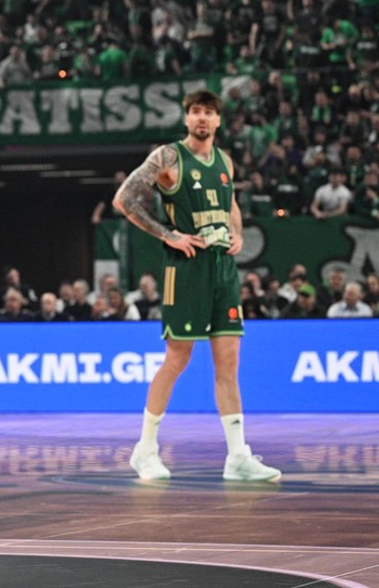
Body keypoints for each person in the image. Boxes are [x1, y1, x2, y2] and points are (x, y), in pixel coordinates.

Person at [113, 88, 280, 483]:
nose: (202, 118)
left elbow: (230, 203)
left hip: (222, 267)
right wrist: (167, 234)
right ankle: (145, 449)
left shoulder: (225, 161)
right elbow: (124, 199)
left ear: (218, 120)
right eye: (195, 112)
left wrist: (238, 234)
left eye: (208, 112)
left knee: (229, 362)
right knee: (178, 357)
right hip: (186, 266)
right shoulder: (168, 157)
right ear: (186, 118)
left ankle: (238, 456)